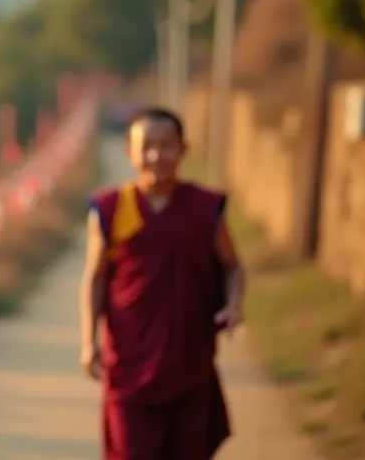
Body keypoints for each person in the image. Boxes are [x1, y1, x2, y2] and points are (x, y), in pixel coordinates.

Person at [79, 107, 245, 460]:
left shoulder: (204, 207)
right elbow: (95, 277)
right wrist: (87, 341)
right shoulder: (111, 209)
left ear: (183, 149)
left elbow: (233, 267)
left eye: (166, 145)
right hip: (129, 367)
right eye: (147, 146)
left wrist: (233, 305)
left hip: (189, 363)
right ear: (129, 151)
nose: (156, 155)